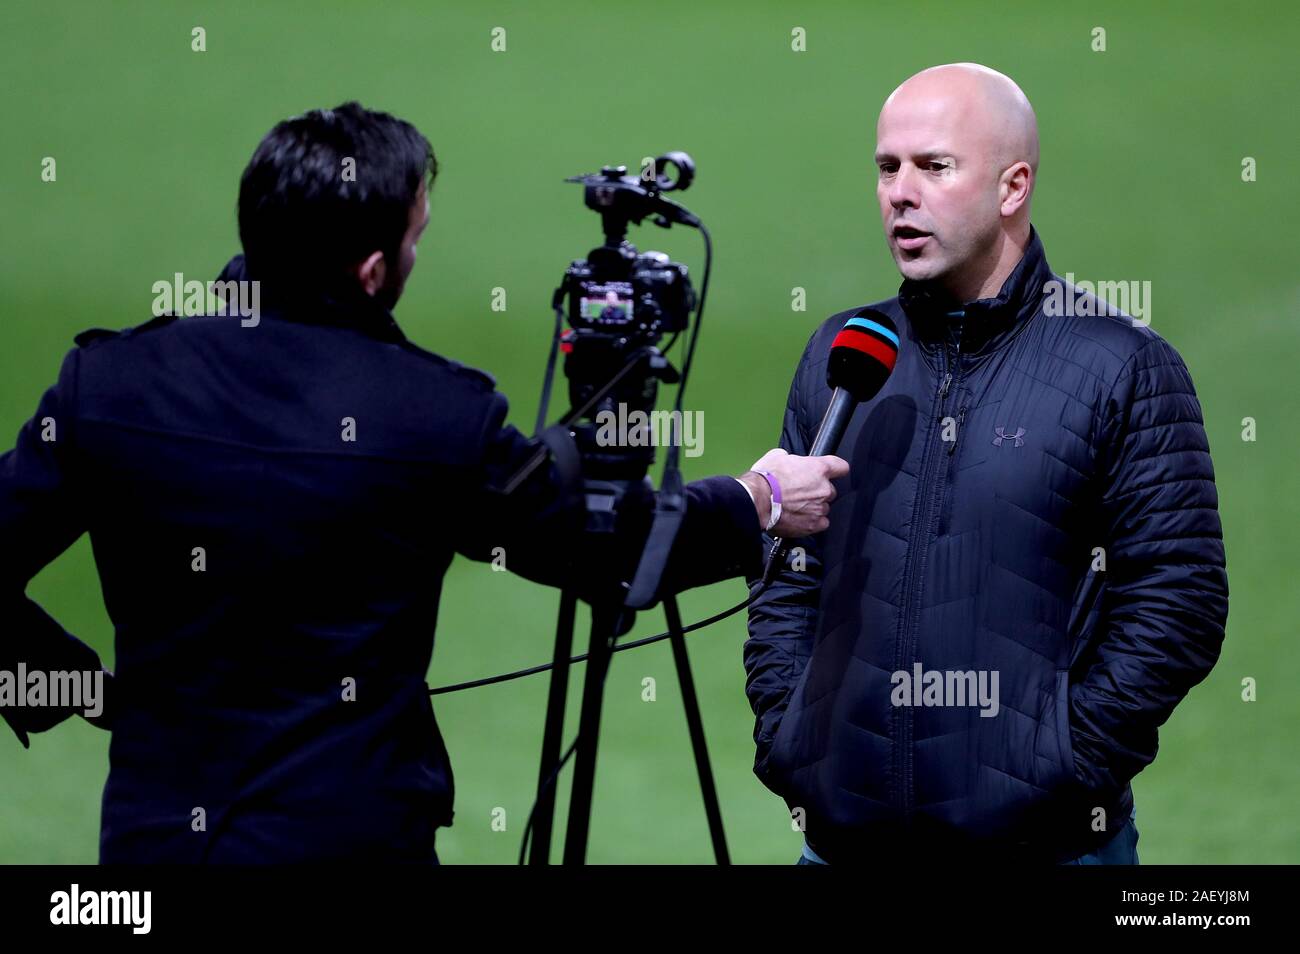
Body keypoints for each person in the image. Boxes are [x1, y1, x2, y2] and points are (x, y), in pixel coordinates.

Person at [0, 102, 847, 863]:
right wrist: (760, 500)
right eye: (414, 237)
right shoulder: (432, 414)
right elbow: (613, 550)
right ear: (373, 270)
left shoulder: (106, 386)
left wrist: (67, 682)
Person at [744, 64, 1228, 865]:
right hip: (843, 845)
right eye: (886, 166)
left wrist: (1062, 764)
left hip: (1045, 851)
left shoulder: (1122, 366)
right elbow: (791, 571)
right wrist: (791, 734)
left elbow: (1179, 597)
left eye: (933, 166)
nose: (900, 192)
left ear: (1013, 187)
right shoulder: (846, 354)